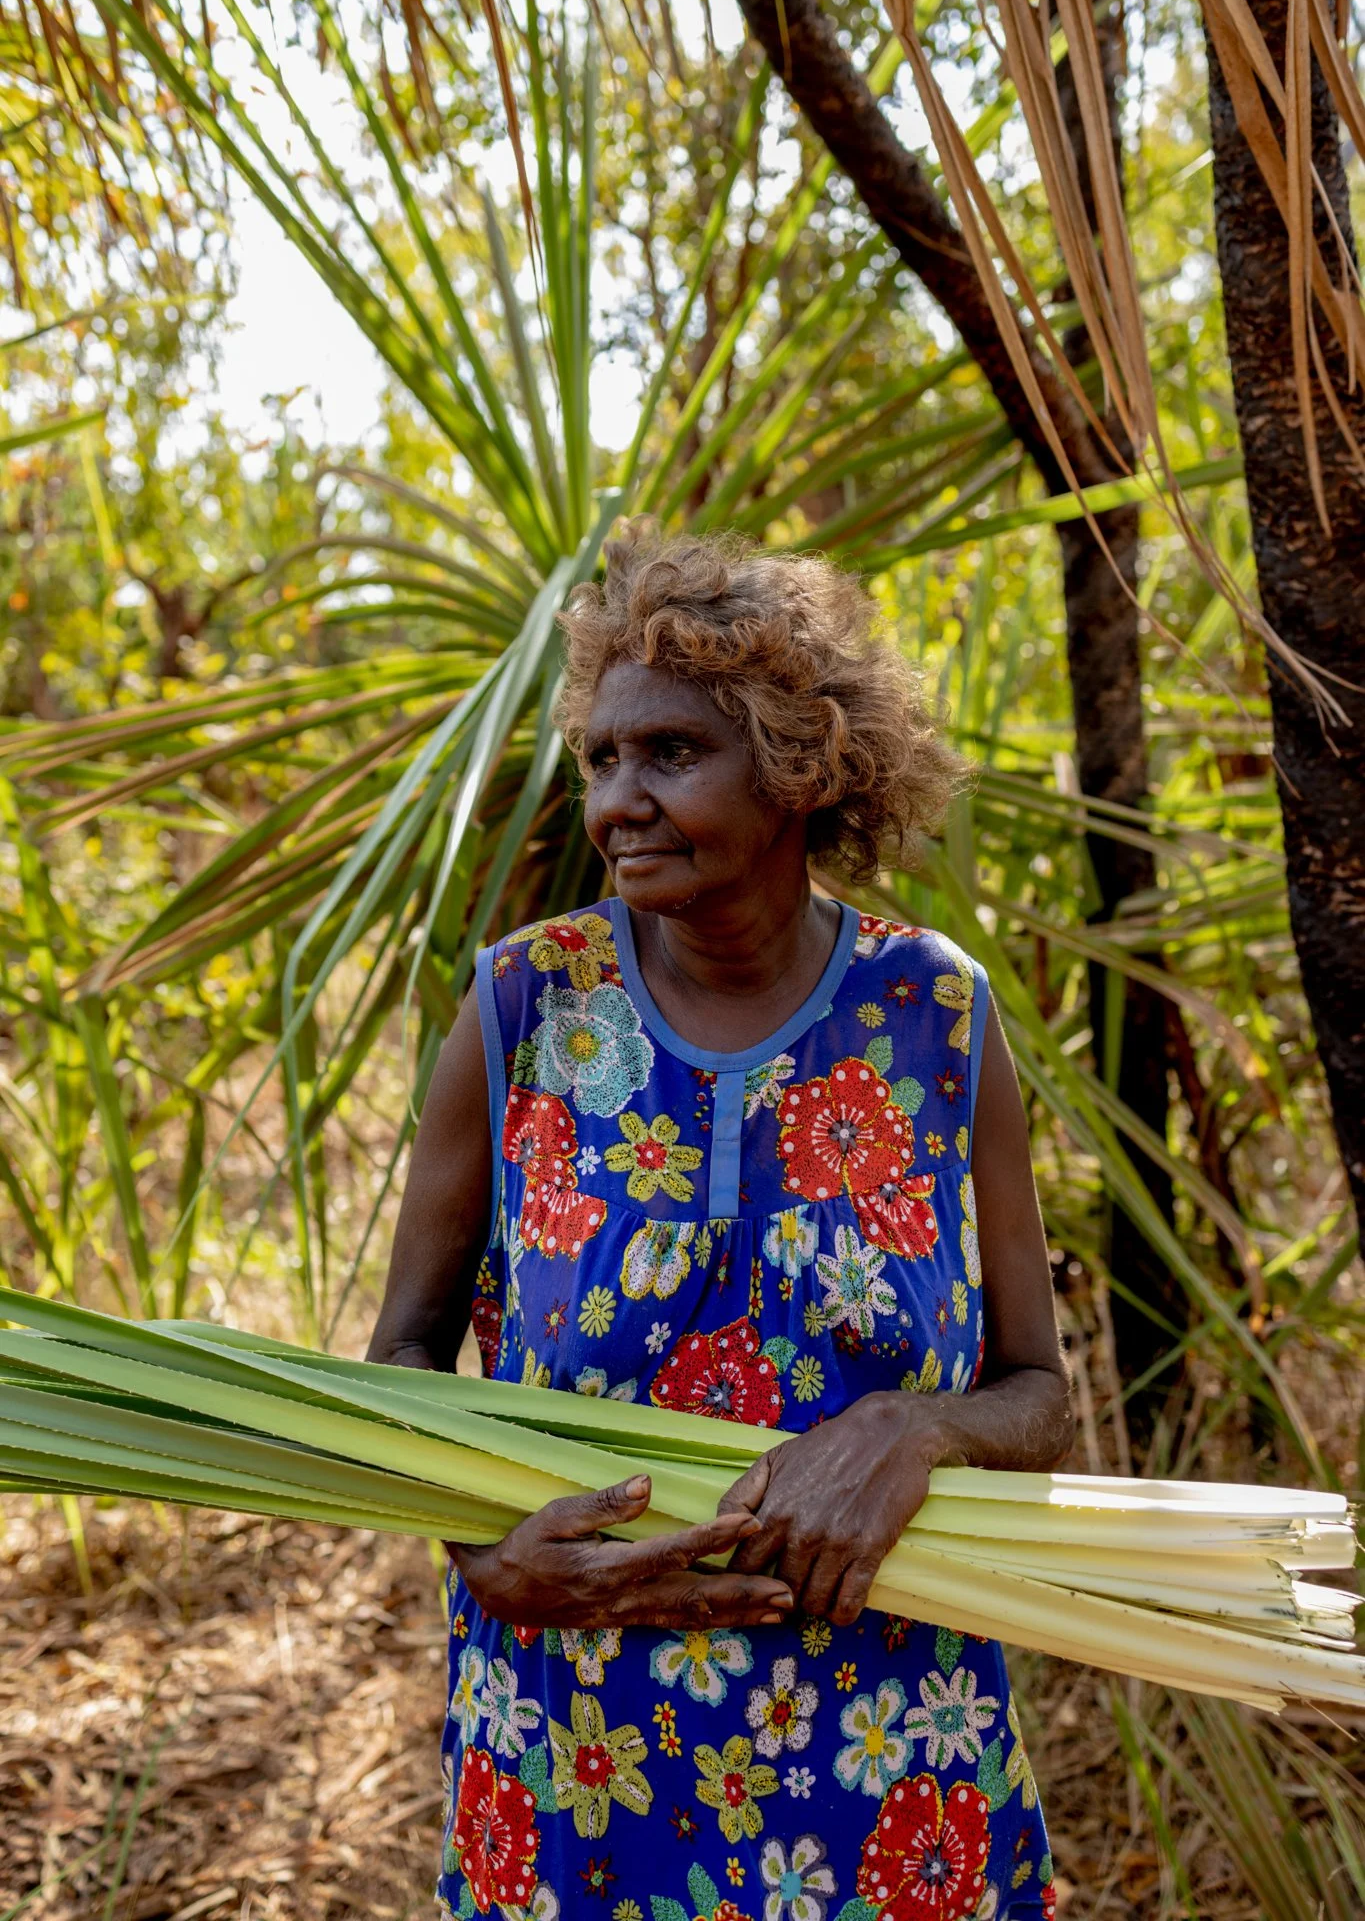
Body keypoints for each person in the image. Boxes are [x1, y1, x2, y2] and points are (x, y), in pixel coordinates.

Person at [369, 524, 1074, 1921]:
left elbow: (1041, 1395)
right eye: (600, 760)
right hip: (579, 1747)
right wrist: (481, 1554)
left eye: (671, 753)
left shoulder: (935, 1016)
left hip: (888, 1752)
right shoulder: (524, 1009)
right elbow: (401, 1358)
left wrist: (917, 1428)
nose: (616, 802)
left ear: (799, 767)